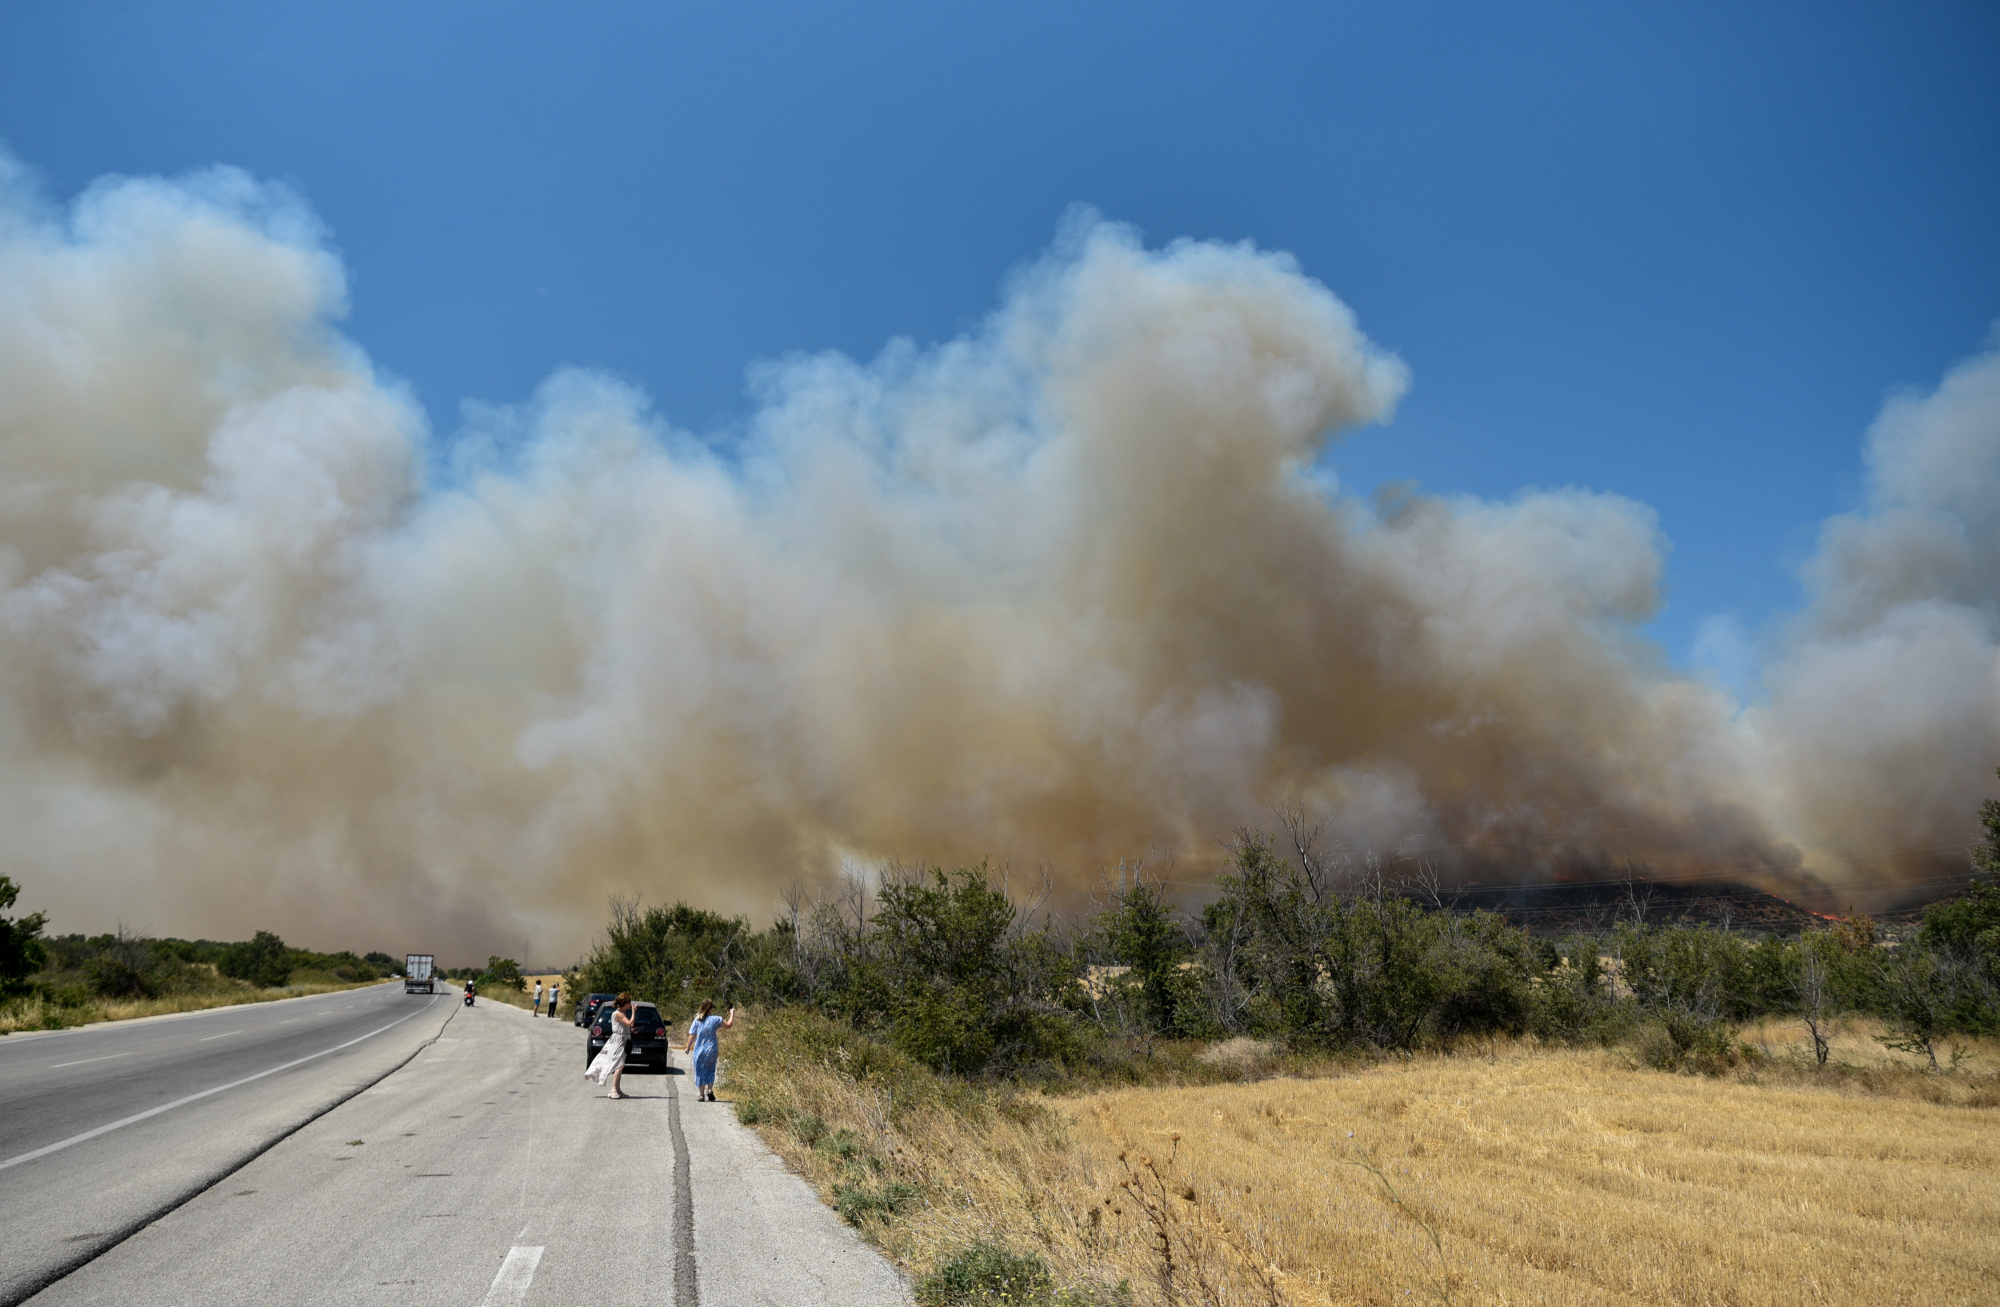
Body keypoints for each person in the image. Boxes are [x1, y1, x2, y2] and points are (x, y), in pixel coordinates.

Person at [682, 998, 734, 1102]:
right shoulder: (716, 1019)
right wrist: (732, 1014)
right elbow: (729, 1025)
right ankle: (710, 1090)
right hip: (712, 1049)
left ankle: (701, 1095)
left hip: (699, 1050)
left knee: (700, 1070)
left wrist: (688, 1047)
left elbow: (692, 1035)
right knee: (710, 1069)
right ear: (710, 1009)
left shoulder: (697, 1020)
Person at [585, 992, 635, 1099]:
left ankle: (618, 1089)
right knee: (619, 1065)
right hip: (618, 1041)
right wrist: (634, 1012)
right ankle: (613, 1090)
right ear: (624, 1003)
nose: (630, 1005)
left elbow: (626, 1026)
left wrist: (631, 1031)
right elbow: (630, 1023)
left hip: (623, 1040)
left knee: (620, 1065)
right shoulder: (618, 1014)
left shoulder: (622, 1013)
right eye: (629, 1003)